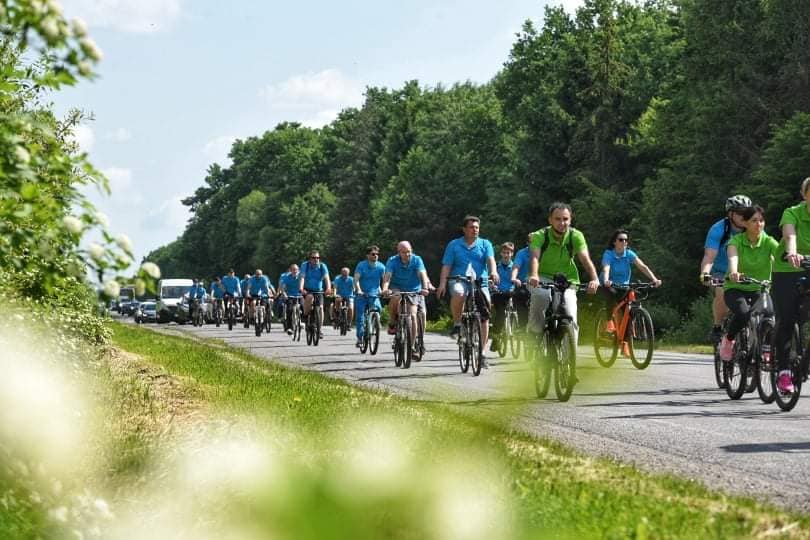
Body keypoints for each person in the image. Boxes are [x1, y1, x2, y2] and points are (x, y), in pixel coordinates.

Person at [527, 203, 599, 350]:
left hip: (567, 280)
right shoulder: (540, 235)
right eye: (557, 219)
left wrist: (594, 279)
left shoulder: (575, 236)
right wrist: (534, 275)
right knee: (541, 297)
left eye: (565, 219)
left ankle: (569, 361)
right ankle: (535, 334)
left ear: (570, 220)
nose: (562, 223)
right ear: (550, 220)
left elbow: (585, 259)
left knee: (570, 314)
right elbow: (534, 257)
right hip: (542, 277)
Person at [437, 216, 499, 367]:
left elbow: (490, 260)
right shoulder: (454, 245)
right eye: (471, 227)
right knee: (459, 293)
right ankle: (458, 324)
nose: (475, 230)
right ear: (464, 229)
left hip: (480, 282)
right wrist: (442, 284)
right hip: (459, 279)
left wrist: (494, 272)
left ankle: (482, 353)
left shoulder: (485, 244)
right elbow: (446, 265)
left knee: (485, 313)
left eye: (477, 227)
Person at [719, 205, 779, 362]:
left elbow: (780, 255)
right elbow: (733, 257)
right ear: (744, 223)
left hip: (759, 288)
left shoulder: (768, 242)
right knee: (744, 313)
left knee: (770, 314)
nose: (759, 224)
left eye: (761, 220)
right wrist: (734, 272)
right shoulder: (735, 241)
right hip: (735, 288)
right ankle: (729, 340)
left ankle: (765, 348)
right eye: (754, 221)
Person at [772, 179, 810, 393]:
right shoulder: (792, 212)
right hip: (787, 269)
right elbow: (790, 234)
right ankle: (784, 372)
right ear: (804, 195)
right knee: (787, 319)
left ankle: (805, 361)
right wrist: (792, 252)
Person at [699, 195, 752, 341]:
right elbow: (709, 257)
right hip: (722, 271)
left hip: (746, 272)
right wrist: (705, 273)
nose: (744, 216)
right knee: (721, 291)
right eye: (740, 212)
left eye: (747, 212)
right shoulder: (718, 229)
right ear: (731, 214)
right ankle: (717, 327)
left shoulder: (753, 227)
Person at [600, 229, 662, 339]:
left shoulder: (628, 253)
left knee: (627, 313)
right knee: (610, 295)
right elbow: (606, 268)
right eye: (621, 239)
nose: (624, 242)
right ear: (614, 242)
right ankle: (609, 321)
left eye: (626, 240)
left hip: (624, 286)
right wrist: (606, 280)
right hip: (609, 284)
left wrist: (654, 279)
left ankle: (625, 344)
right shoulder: (609, 254)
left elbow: (643, 266)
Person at [381, 241, 431, 342]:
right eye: (404, 252)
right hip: (397, 287)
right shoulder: (392, 261)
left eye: (409, 251)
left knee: (414, 315)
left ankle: (413, 344)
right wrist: (385, 289)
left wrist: (425, 288)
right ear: (398, 252)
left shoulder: (417, 259)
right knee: (395, 296)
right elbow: (387, 277)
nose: (407, 254)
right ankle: (392, 322)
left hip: (414, 290)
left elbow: (422, 274)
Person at [354, 245, 386, 347]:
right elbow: (356, 279)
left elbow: (385, 280)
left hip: (374, 294)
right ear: (368, 255)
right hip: (362, 294)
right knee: (360, 317)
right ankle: (360, 338)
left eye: (377, 254)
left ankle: (375, 322)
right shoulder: (361, 265)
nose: (375, 256)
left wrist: (384, 290)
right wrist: (358, 290)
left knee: (379, 309)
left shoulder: (381, 267)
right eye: (373, 254)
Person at [299, 250, 331, 338]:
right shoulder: (305, 265)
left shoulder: (322, 266)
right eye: (314, 258)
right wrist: (301, 288)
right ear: (310, 259)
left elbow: (327, 278)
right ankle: (305, 316)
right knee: (309, 297)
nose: (316, 259)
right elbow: (302, 277)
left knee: (320, 308)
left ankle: (320, 329)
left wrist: (328, 288)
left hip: (318, 290)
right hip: (307, 289)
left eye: (318, 258)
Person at [491, 242, 516, 352]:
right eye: (504, 252)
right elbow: (491, 279)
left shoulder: (515, 267)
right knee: (500, 314)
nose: (506, 255)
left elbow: (518, 279)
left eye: (508, 253)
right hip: (499, 293)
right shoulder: (496, 266)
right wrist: (493, 286)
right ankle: (496, 338)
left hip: (511, 292)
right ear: (501, 253)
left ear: (512, 254)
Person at [509, 234, 532, 331]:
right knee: (520, 295)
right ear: (527, 243)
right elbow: (516, 266)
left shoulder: (544, 252)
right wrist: (514, 277)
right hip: (523, 284)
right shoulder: (521, 253)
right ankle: (522, 327)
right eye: (532, 242)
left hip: (540, 285)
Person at [278, 264, 302, 334]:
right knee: (289, 310)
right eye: (293, 270)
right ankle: (289, 327)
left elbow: (305, 285)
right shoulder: (286, 277)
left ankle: (302, 322)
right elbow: (283, 287)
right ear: (290, 270)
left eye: (296, 269)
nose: (295, 271)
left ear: (298, 270)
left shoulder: (301, 277)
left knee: (305, 307)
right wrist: (284, 294)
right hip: (290, 296)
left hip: (300, 296)